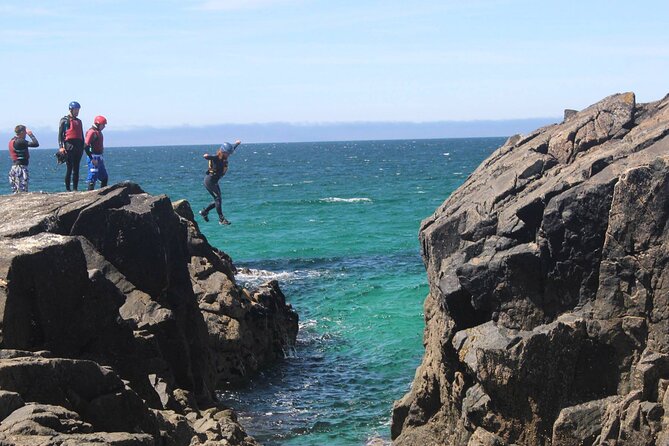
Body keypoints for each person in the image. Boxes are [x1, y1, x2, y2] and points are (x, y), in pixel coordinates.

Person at [199, 140, 241, 225]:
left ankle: (204, 212)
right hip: (209, 181)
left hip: (214, 182)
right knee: (218, 199)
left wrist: (237, 144)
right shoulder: (216, 157)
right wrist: (206, 156)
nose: (228, 155)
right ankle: (221, 219)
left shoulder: (224, 157)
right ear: (222, 152)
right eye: (227, 153)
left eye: (229, 153)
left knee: (218, 200)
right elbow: (209, 157)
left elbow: (232, 148)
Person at [58, 101, 85, 191]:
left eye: (78, 110)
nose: (77, 112)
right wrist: (61, 147)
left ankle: (75, 189)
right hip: (69, 146)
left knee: (76, 169)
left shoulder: (79, 121)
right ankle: (68, 189)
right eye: (76, 110)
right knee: (69, 168)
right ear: (71, 109)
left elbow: (81, 134)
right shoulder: (64, 120)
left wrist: (83, 147)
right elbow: (60, 135)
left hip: (78, 146)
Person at [8, 125, 39, 193]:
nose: (26, 134)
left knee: (16, 191)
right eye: (25, 132)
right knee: (23, 190)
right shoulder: (20, 141)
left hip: (14, 168)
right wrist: (31, 135)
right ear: (22, 132)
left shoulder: (12, 140)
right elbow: (36, 144)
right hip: (20, 168)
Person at [84, 115, 108, 190]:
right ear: (98, 124)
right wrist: (92, 159)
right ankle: (90, 195)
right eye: (103, 125)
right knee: (92, 177)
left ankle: (103, 194)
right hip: (93, 157)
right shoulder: (92, 132)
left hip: (99, 157)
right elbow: (86, 146)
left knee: (104, 177)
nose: (104, 126)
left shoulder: (98, 132)